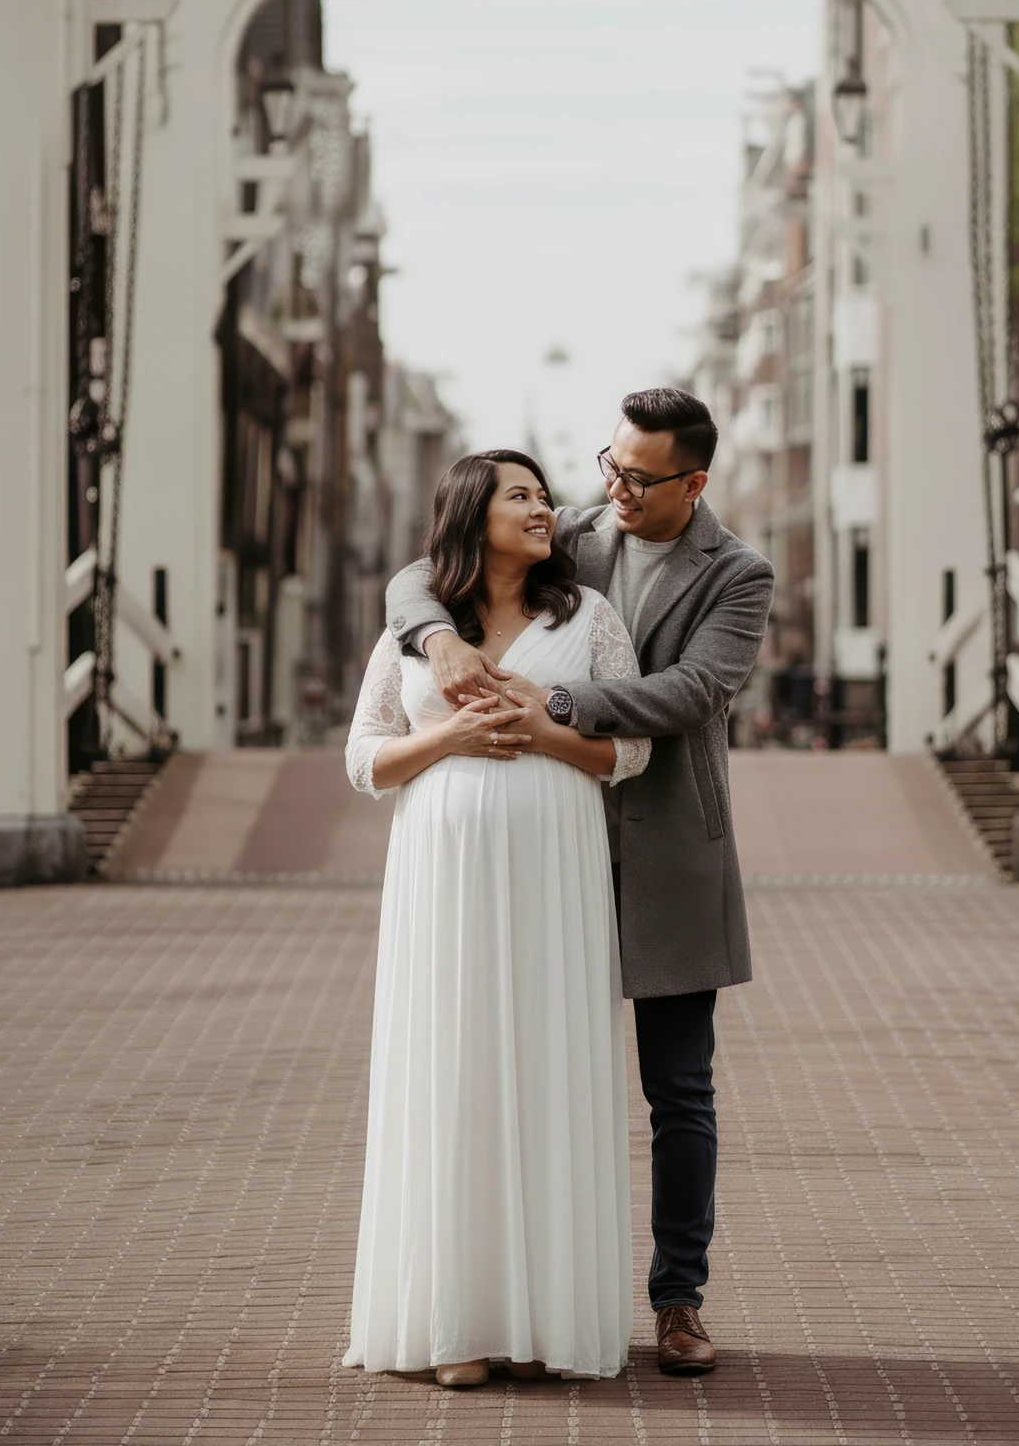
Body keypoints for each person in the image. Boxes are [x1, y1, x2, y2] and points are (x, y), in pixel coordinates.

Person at [387, 389, 774, 1376]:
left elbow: (692, 692)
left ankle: (676, 1303)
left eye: (638, 478)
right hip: (541, 854)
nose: (612, 490)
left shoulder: (738, 574)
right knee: (518, 1072)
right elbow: (421, 573)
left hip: (667, 854)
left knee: (677, 1092)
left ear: (694, 481)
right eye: (608, 465)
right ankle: (512, 1302)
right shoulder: (577, 533)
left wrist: (557, 698)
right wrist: (430, 632)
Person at [344, 450, 650, 1387]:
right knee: (455, 1071)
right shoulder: (416, 629)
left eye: (543, 493)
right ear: (473, 513)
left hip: (555, 878)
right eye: (519, 494)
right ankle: (457, 1327)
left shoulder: (588, 617)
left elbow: (631, 750)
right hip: (443, 877)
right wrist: (454, 736)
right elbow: (364, 761)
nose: (542, 506)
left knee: (548, 1068)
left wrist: (545, 731)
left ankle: (548, 1321)